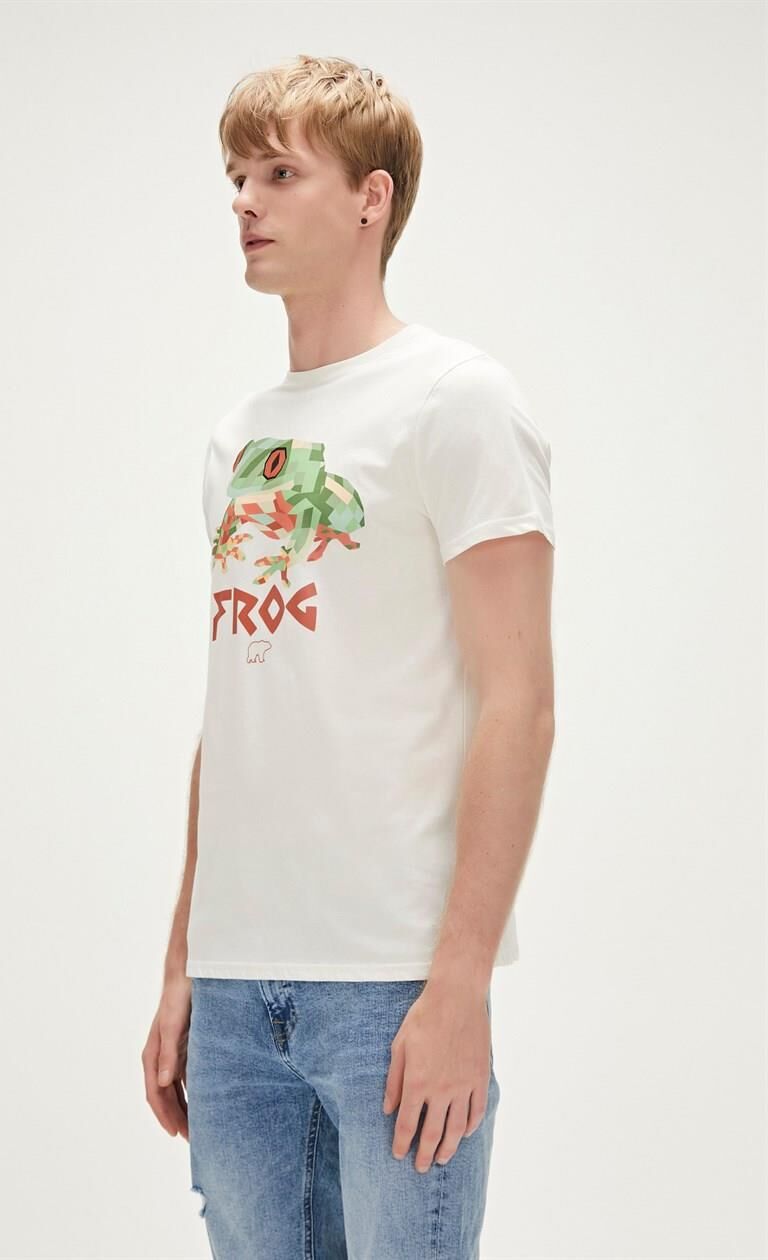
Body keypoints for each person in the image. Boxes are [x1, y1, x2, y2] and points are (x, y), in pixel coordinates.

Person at [142, 53, 556, 1259]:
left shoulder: (455, 401)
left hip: (390, 981)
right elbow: (240, 710)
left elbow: (520, 703)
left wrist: (460, 981)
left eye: (279, 174)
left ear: (372, 199)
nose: (244, 201)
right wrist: (182, 963)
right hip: (234, 990)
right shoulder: (238, 439)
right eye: (236, 176)